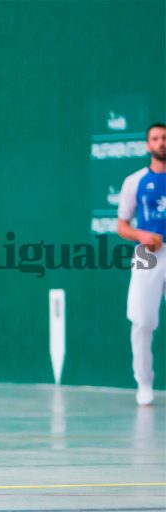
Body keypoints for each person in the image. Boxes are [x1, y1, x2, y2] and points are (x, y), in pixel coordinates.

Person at [117, 122, 166, 406]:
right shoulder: (134, 181)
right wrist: (142, 235)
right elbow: (122, 225)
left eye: (164, 138)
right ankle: (144, 382)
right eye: (155, 138)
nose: (161, 142)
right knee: (142, 320)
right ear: (148, 145)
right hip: (147, 253)